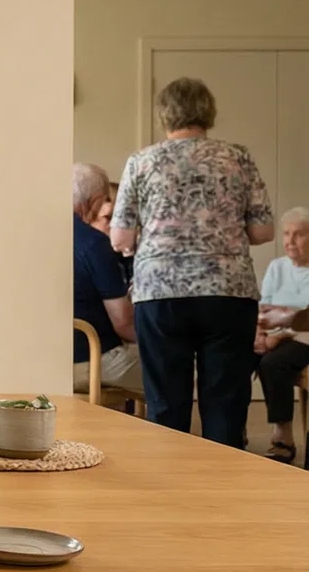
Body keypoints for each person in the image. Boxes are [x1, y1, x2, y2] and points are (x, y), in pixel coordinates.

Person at [112, 77, 273, 447]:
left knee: (166, 403)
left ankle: (169, 478)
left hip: (160, 293)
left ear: (164, 114)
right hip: (228, 292)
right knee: (226, 403)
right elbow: (263, 231)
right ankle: (223, 479)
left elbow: (120, 239)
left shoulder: (141, 161)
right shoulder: (237, 157)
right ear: (208, 111)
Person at [72, 162, 142, 394]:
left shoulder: (43, 235)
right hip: (93, 360)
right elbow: (123, 322)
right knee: (179, 369)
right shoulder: (94, 242)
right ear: (95, 201)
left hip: (48, 360)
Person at [254, 207, 309, 462]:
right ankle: (233, 427)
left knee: (273, 363)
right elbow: (263, 306)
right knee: (234, 355)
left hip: (303, 338)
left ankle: (283, 435)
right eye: (286, 234)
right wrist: (259, 333)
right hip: (273, 333)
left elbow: (305, 319)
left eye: (298, 234)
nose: (290, 240)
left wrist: (280, 334)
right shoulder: (277, 267)